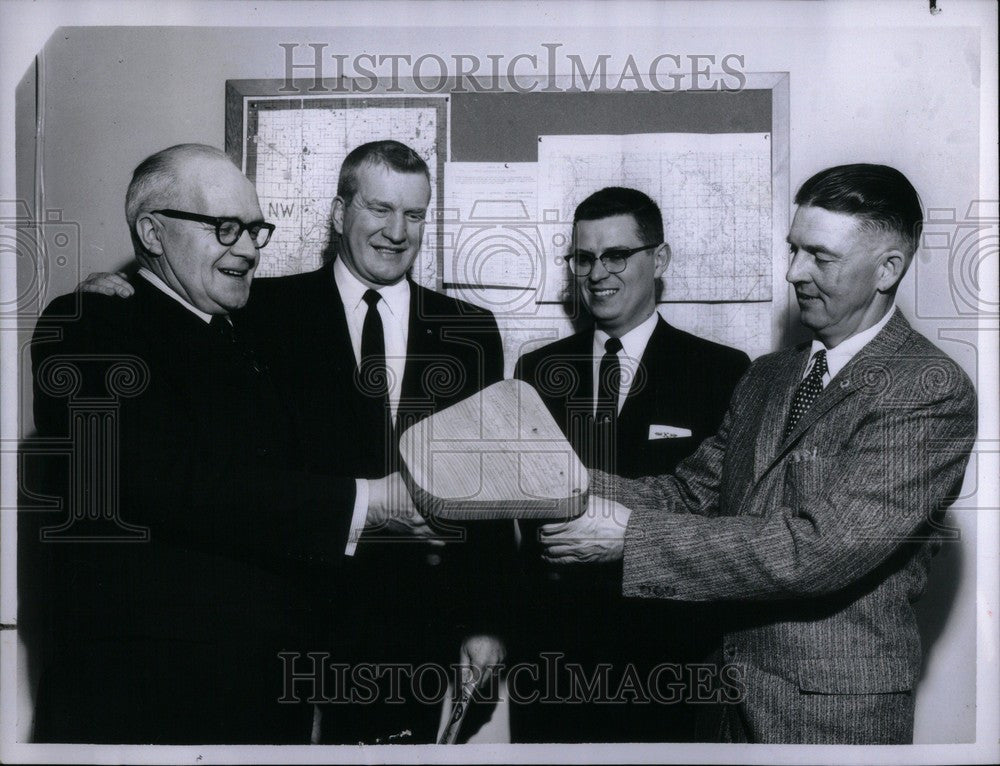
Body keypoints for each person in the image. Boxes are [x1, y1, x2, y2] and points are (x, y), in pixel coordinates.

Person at [74, 140, 512, 745]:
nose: (396, 231)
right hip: (284, 620)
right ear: (338, 215)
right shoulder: (256, 311)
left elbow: (490, 484)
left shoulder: (469, 329)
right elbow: (170, 379)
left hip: (410, 628)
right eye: (379, 209)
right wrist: (115, 286)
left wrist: (484, 620)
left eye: (414, 215)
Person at [539, 164, 978, 744]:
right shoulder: (771, 375)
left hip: (828, 718)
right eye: (793, 250)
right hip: (722, 702)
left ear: (888, 268)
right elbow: (690, 491)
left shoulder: (927, 389)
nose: (794, 273)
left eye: (820, 258)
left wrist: (632, 538)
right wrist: (550, 473)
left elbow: (818, 549)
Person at [26, 144, 413, 743]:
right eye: (225, 228)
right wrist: (372, 502)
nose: (251, 249)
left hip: (255, 700)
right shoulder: (92, 324)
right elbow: (170, 482)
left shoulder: (243, 335)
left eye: (255, 229)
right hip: (149, 710)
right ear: (152, 232)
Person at [512, 187, 750, 742]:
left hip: (667, 660)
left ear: (659, 260)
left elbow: (720, 512)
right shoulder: (537, 369)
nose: (598, 273)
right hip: (553, 663)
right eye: (584, 258)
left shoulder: (721, 371)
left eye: (616, 255)